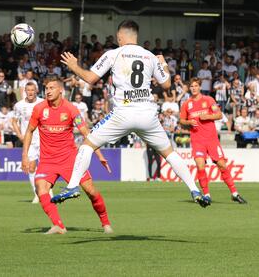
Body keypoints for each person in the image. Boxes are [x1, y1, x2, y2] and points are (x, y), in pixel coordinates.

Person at [51, 20, 208, 207]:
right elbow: (166, 84)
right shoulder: (149, 56)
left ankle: (72, 186)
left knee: (86, 146)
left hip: (123, 113)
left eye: (117, 37)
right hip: (147, 115)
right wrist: (164, 64)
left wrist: (74, 66)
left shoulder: (114, 54)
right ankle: (194, 189)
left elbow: (90, 78)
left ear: (120, 36)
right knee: (170, 153)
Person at [21, 76, 113, 235]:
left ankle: (106, 224)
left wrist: (99, 155)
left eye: (51, 88)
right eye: (46, 88)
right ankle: (58, 225)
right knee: (40, 189)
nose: (48, 91)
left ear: (60, 90)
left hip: (70, 161)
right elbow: (29, 131)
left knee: (91, 191)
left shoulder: (71, 109)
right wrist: (25, 156)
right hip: (48, 161)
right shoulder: (39, 109)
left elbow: (86, 133)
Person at [179, 78, 247, 204]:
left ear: (200, 87)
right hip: (197, 140)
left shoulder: (208, 100)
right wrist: (188, 122)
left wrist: (207, 116)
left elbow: (219, 115)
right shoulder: (186, 104)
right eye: (192, 86)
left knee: (222, 165)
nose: (194, 88)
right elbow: (181, 120)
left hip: (212, 140)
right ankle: (207, 195)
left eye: (196, 86)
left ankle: (234, 193)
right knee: (200, 165)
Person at [12, 82, 46, 203]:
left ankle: (47, 192)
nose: (30, 92)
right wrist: (20, 135)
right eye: (28, 90)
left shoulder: (43, 102)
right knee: (31, 167)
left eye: (32, 90)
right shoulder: (19, 105)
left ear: (36, 91)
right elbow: (14, 121)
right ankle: (37, 194)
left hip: (43, 139)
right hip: (29, 141)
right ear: (24, 91)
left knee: (45, 168)